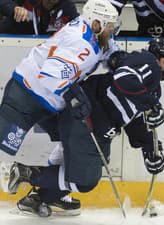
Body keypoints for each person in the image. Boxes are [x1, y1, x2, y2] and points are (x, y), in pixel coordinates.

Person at [7, 37, 164, 217]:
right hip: (87, 118)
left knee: (76, 167)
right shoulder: (149, 63)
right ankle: (28, 174)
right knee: (85, 181)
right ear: (163, 61)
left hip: (88, 119)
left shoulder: (152, 86)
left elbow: (135, 119)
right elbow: (124, 79)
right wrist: (151, 104)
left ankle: (41, 198)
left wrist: (150, 150)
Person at [0, 0, 120, 216]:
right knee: (3, 142)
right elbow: (50, 76)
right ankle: (33, 181)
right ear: (96, 24)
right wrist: (73, 96)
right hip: (26, 96)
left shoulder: (93, 35)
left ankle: (49, 192)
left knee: (71, 141)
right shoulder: (80, 42)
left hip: (48, 102)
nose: (112, 30)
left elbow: (109, 52)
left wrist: (123, 60)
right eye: (109, 25)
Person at [0, 0, 79, 35]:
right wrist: (14, 8)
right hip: (11, 43)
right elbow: (4, 2)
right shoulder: (29, 2)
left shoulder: (68, 8)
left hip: (46, 53)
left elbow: (79, 27)